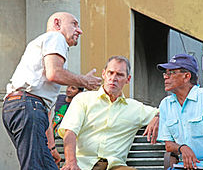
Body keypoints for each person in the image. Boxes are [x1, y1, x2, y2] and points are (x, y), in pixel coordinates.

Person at [2, 12, 102, 170]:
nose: (80, 30)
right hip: (27, 105)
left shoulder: (48, 45)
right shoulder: (56, 38)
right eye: (74, 24)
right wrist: (85, 81)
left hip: (25, 106)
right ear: (57, 24)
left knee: (47, 166)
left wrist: (52, 147)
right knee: (34, 166)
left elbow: (46, 109)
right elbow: (54, 73)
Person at [58, 56, 159, 170]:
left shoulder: (135, 108)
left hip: (114, 166)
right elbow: (70, 132)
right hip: (83, 165)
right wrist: (71, 162)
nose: (113, 78)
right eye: (110, 73)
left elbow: (164, 112)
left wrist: (158, 115)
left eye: (120, 75)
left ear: (128, 79)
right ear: (103, 74)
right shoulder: (83, 99)